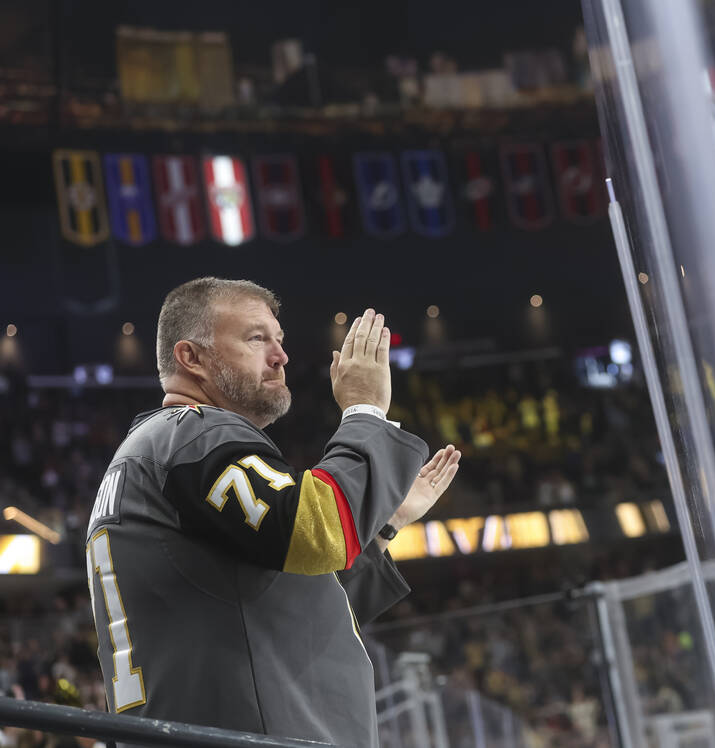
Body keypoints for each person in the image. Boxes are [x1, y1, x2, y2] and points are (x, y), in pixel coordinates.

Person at [83, 277, 459, 747]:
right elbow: (318, 534)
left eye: (279, 340)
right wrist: (364, 411)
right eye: (256, 337)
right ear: (190, 357)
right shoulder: (195, 435)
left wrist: (385, 522)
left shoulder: (153, 454)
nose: (280, 356)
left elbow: (287, 612)